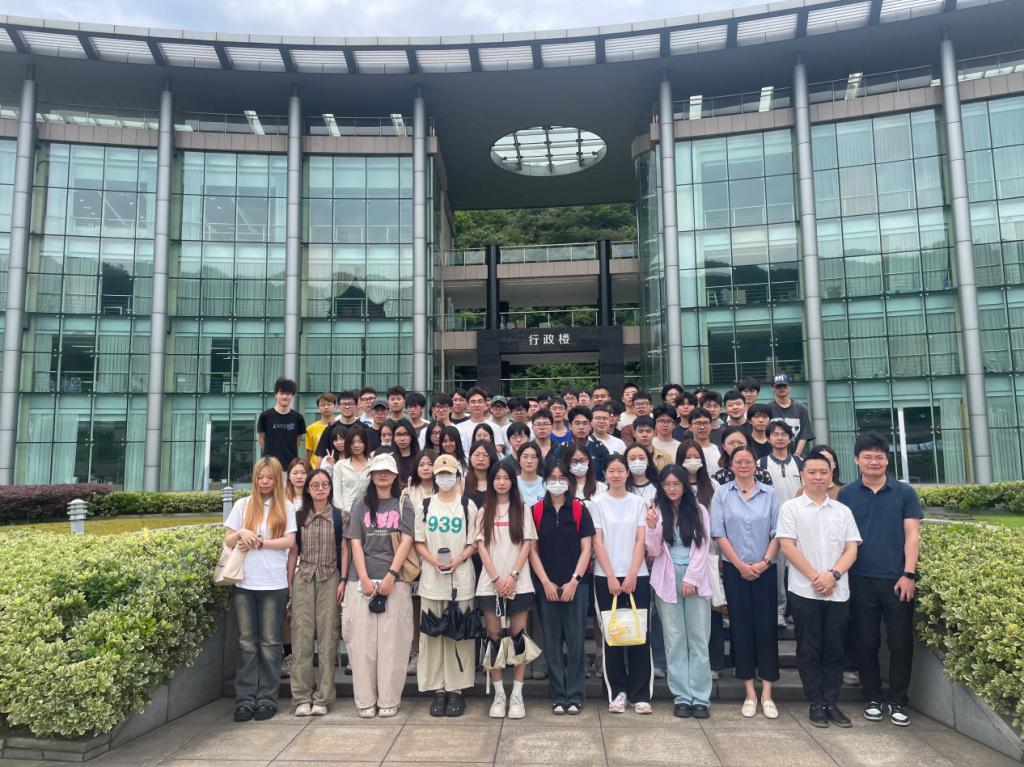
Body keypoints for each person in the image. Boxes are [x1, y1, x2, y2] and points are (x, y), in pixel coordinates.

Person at [837, 433, 922, 727]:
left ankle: (898, 700)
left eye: (879, 456)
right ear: (857, 460)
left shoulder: (904, 492)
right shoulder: (847, 494)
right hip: (860, 579)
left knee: (900, 642)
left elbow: (912, 535)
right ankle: (872, 696)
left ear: (887, 459)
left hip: (897, 580)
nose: (874, 461)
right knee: (866, 641)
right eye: (868, 456)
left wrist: (909, 573)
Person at [777, 454, 861, 728]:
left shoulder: (842, 511)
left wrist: (833, 575)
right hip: (805, 591)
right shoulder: (790, 508)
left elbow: (852, 548)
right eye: (812, 472)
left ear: (831, 475)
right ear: (802, 475)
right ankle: (815, 702)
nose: (817, 477)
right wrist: (816, 577)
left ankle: (831, 702)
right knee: (809, 649)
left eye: (823, 472)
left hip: (837, 591)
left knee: (834, 649)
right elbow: (787, 546)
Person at [224, 457, 297, 722]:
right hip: (244, 582)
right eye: (260, 477)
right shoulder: (243, 505)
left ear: (277, 480)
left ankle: (267, 698)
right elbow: (228, 539)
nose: (264, 482)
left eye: (270, 478)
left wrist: (261, 543)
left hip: (274, 583)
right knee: (246, 643)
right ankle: (245, 700)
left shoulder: (286, 506)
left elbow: (290, 541)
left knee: (270, 642)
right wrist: (242, 533)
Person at [711, 446, 781, 720]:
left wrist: (763, 563)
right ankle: (750, 692)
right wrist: (740, 565)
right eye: (738, 461)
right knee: (740, 627)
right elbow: (719, 533)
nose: (743, 465)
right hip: (734, 570)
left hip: (765, 569)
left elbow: (778, 533)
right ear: (731, 465)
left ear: (755, 464)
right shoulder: (722, 493)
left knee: (766, 628)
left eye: (748, 461)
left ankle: (767, 693)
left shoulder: (770, 493)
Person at [343, 453, 415, 718]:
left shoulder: (404, 504)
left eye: (387, 471)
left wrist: (391, 575)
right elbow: (355, 541)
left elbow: (407, 541)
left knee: (393, 646)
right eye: (378, 471)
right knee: (362, 647)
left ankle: (389, 700)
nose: (382, 475)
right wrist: (363, 577)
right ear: (371, 475)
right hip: (360, 582)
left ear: (395, 475)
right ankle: (365, 701)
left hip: (395, 582)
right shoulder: (361, 504)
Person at [414, 454, 479, 717]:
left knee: (459, 635)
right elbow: (419, 541)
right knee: (432, 636)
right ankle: (438, 690)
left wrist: (459, 559)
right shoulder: (426, 505)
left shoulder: (467, 505)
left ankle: (457, 690)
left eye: (448, 474)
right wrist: (433, 561)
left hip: (460, 578)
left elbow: (474, 542)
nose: (444, 478)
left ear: (457, 476)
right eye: (440, 474)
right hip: (432, 579)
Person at [646, 465, 713, 719]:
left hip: (695, 578)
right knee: (674, 639)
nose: (671, 489)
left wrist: (692, 578)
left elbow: (703, 546)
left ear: (685, 485)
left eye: (676, 484)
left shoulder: (699, 510)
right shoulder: (656, 511)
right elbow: (653, 551)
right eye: (667, 484)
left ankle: (701, 697)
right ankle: (682, 696)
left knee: (698, 638)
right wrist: (652, 527)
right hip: (666, 577)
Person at [529, 461, 594, 715]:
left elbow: (587, 548)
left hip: (576, 586)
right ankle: (558, 695)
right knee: (552, 643)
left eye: (561, 478)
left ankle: (575, 695)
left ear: (569, 481)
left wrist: (574, 581)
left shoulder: (579, 510)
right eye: (552, 478)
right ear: (544, 481)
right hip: (546, 586)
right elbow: (532, 551)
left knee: (576, 642)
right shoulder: (536, 511)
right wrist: (545, 582)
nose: (557, 482)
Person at [590, 455, 652, 714]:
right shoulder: (596, 503)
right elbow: (597, 541)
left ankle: (640, 694)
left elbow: (641, 540)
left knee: (640, 634)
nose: (616, 475)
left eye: (620, 470)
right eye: (611, 471)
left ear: (627, 473)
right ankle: (617, 692)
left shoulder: (638, 502)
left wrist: (633, 573)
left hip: (638, 575)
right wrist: (612, 576)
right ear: (605, 474)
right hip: (605, 576)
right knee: (613, 635)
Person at [477, 462, 538, 719]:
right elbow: (480, 546)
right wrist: (496, 578)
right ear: (491, 482)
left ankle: (517, 695)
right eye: (497, 478)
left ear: (512, 482)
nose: (501, 482)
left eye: (506, 478)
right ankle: (499, 694)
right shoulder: (484, 511)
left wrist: (513, 576)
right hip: (490, 584)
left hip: (518, 583)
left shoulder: (522, 509)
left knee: (518, 637)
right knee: (493, 636)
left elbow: (527, 544)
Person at [289, 468, 345, 717]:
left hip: (329, 577)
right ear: (308, 490)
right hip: (303, 577)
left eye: (324, 484)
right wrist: (289, 583)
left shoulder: (340, 516)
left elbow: (345, 549)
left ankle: (323, 697)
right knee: (301, 637)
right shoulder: (298, 516)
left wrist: (344, 579)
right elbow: (293, 551)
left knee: (328, 638)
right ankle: (302, 697)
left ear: (330, 488)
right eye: (315, 485)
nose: (320, 489)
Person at [758, 420, 804, 628]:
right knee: (777, 570)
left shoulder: (801, 463)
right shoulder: (761, 464)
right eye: (775, 434)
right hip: (774, 525)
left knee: (797, 567)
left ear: (790, 438)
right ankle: (779, 610)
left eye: (783, 434)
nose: (779, 438)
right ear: (768, 438)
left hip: (799, 524)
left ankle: (795, 609)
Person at [401, 449, 437, 676]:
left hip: (438, 555)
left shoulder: (444, 489)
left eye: (429, 464)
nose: (425, 468)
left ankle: (433, 654)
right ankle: (415, 652)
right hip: (413, 556)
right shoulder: (408, 492)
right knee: (415, 607)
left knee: (435, 606)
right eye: (421, 464)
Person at [257, 377, 306, 468]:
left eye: (288, 394)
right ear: (276, 395)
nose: (284, 397)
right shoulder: (265, 416)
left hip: (291, 466)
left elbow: (298, 441)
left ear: (292, 396)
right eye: (281, 393)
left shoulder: (298, 418)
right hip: (270, 466)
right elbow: (261, 440)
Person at [768, 374, 814, 455]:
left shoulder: (801, 408)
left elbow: (804, 435)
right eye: (778, 386)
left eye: (784, 386)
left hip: (797, 456)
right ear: (772, 388)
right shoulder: (767, 409)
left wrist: (796, 455)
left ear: (790, 387)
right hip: (772, 456)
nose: (782, 388)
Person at [457, 386, 508, 455]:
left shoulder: (494, 427)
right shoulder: (459, 428)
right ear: (468, 405)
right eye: (473, 402)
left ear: (485, 404)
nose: (477, 405)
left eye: (480, 402)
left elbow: (498, 450)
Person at [333, 424, 370, 517]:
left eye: (360, 441)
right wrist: (342, 512)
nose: (356, 445)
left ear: (365, 443)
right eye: (353, 442)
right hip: (346, 514)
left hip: (368, 513)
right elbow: (336, 494)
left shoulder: (373, 464)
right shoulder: (340, 465)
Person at [306, 392, 336, 468]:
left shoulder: (339, 426)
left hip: (335, 466)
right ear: (318, 407)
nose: (326, 407)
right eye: (322, 405)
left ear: (335, 406)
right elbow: (309, 452)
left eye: (329, 404)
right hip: (315, 468)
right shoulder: (311, 428)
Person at [467, 439, 499, 509]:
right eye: (477, 455)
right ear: (470, 458)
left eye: (485, 455)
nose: (481, 459)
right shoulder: (462, 483)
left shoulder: (497, 482)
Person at [651, 406, 681, 471]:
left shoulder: (680, 446)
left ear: (674, 424)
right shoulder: (650, 444)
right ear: (655, 423)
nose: (665, 425)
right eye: (661, 421)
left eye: (668, 421)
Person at [391, 418, 419, 486]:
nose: (402, 439)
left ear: (412, 437)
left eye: (406, 434)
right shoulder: (390, 459)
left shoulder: (419, 458)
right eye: (398, 435)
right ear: (393, 438)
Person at [516, 441, 545, 507]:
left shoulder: (544, 484)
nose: (529, 461)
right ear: (519, 459)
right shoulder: (513, 483)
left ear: (539, 460)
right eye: (525, 457)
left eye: (533, 457)